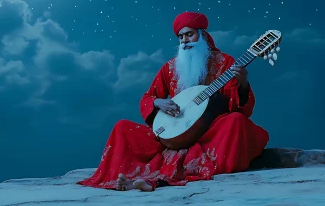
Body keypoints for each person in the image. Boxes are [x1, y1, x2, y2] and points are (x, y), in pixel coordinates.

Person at [77, 11, 270, 192]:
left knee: (236, 121)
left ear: (202, 35)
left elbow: (238, 107)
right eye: (181, 37)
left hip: (208, 134)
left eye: (190, 35)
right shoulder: (170, 67)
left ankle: (155, 179)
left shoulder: (225, 62)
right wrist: (158, 103)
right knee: (122, 128)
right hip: (172, 134)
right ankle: (136, 180)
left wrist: (243, 84)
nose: (185, 41)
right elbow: (148, 97)